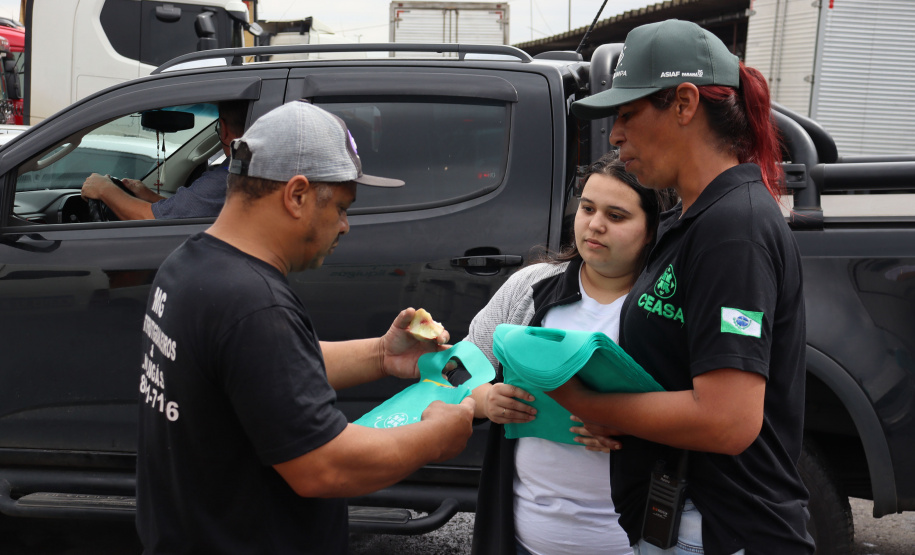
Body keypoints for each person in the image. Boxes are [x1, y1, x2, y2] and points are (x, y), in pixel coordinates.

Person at [135, 100, 476, 554]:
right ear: (296, 195)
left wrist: (381, 355)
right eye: (340, 206)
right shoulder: (254, 304)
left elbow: (264, 373)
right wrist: (436, 436)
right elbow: (325, 466)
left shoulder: (190, 266)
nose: (345, 226)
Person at [548, 19, 815, 555]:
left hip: (719, 530)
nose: (615, 133)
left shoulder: (732, 228)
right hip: (682, 521)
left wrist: (588, 402)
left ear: (685, 103)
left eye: (627, 113)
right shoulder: (690, 219)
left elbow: (727, 421)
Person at [464, 151, 668, 555]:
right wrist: (484, 400)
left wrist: (629, 425)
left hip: (628, 541)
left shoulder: (667, 308)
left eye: (617, 216)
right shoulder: (530, 287)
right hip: (524, 537)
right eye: (588, 208)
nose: (594, 224)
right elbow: (455, 369)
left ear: (651, 230)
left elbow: (705, 416)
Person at [80, 100, 247, 220]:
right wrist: (148, 195)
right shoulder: (244, 171)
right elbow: (188, 210)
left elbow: (151, 218)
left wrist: (104, 189)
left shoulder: (228, 178)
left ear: (223, 129)